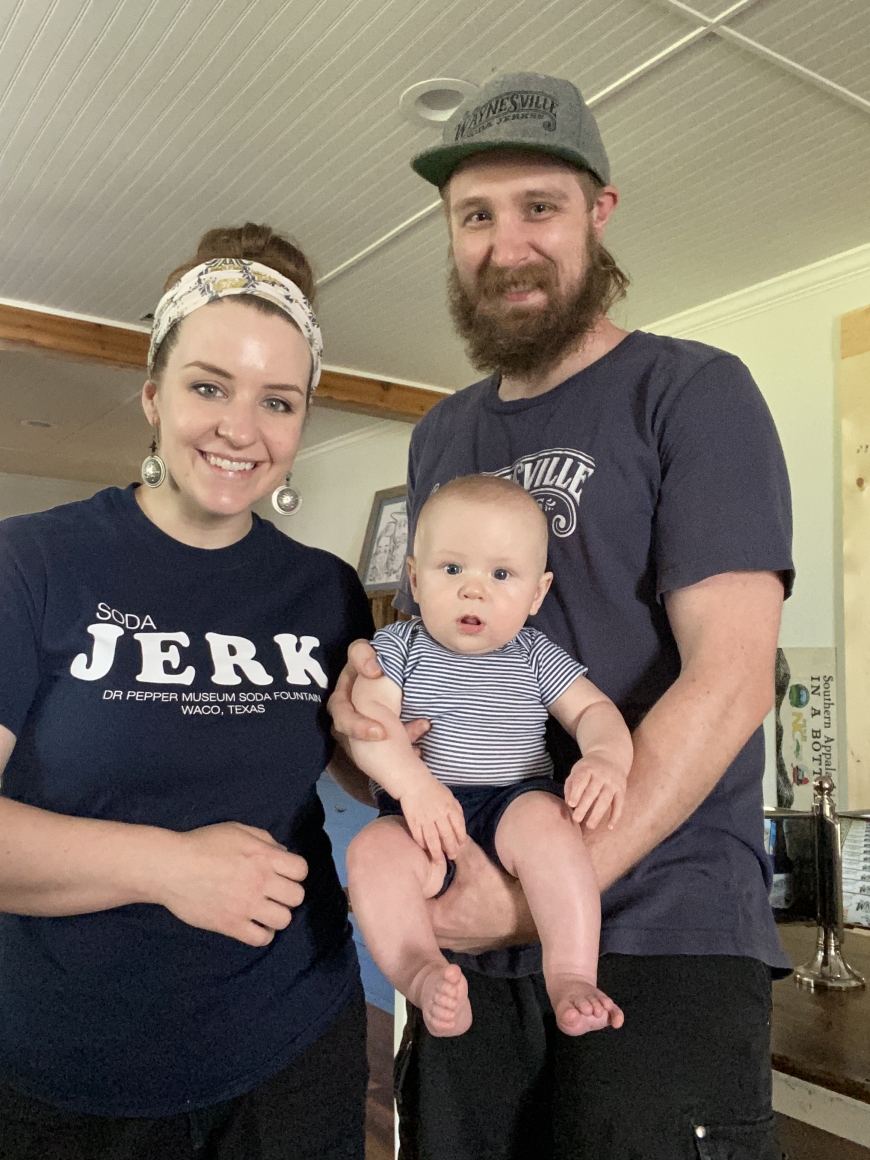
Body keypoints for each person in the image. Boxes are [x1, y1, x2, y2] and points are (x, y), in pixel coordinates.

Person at [329, 73, 793, 1160]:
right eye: (475, 216)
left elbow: (727, 680)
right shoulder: (440, 436)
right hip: (464, 945)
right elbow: (431, 667)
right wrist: (367, 730)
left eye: (540, 206)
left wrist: (534, 902)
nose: (508, 241)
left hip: (657, 932)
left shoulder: (692, 390)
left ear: (600, 212)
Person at [0, 223, 374, 1159]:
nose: (241, 430)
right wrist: (170, 867)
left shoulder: (327, 590)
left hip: (291, 1056)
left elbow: (360, 778)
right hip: (66, 1078)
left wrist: (389, 740)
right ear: (153, 396)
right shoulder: (30, 564)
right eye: (209, 386)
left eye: (278, 402)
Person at [346, 475, 631, 1039]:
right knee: (372, 853)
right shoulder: (397, 648)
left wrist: (606, 759)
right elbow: (368, 727)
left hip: (513, 799)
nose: (473, 591)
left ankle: (572, 972)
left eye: (501, 575)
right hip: (419, 813)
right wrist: (416, 789)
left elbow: (593, 711)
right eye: (452, 570)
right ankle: (421, 973)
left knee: (552, 829)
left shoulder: (534, 653)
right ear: (414, 579)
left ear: (537, 594)